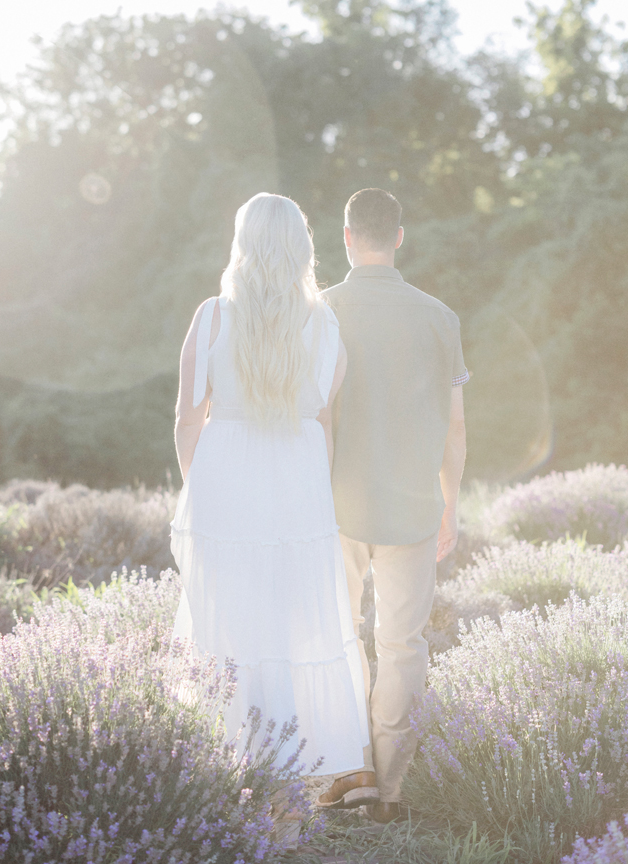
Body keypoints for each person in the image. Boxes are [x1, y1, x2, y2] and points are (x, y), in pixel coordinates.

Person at [171, 192, 373, 807]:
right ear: (302, 247)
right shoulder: (326, 323)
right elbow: (325, 422)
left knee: (231, 626)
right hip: (297, 487)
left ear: (243, 244)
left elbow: (187, 417)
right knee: (290, 629)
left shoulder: (211, 316)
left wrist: (195, 487)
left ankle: (236, 778)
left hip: (227, 486)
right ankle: (289, 791)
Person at [315, 188, 468, 824]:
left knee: (338, 635)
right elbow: (455, 426)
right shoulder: (440, 316)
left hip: (336, 505)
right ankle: (390, 792)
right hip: (412, 504)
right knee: (402, 646)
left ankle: (347, 775)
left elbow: (317, 413)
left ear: (347, 237)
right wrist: (451, 502)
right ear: (399, 237)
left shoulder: (321, 311)